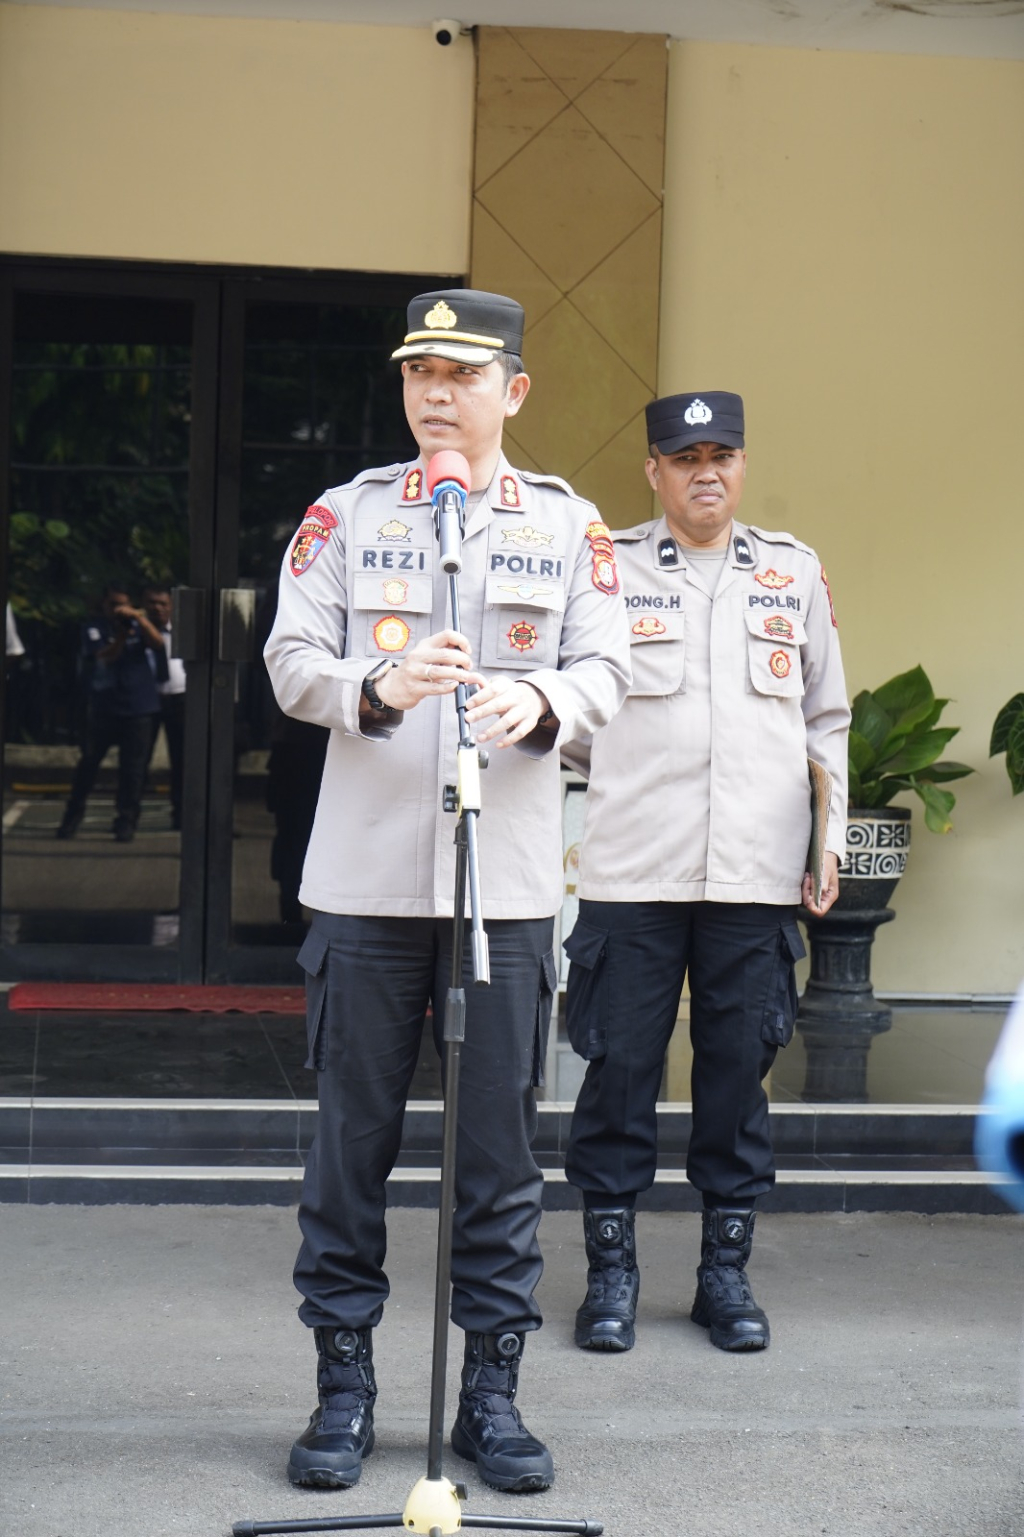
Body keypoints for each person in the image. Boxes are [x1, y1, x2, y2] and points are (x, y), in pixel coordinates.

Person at [264, 290, 630, 1495]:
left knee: (497, 1161)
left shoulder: (570, 530)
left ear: (512, 392)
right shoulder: (345, 514)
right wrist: (376, 684)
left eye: (460, 374)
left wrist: (545, 705)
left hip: (504, 898)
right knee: (347, 1154)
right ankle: (343, 1391)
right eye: (419, 369)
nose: (433, 391)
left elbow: (608, 666)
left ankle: (492, 1395)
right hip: (365, 894)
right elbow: (289, 660)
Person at [561, 391, 850, 1357]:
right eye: (685, 457)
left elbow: (825, 721)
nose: (706, 471)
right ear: (653, 469)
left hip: (755, 875)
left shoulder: (793, 572)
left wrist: (829, 836)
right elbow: (570, 718)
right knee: (619, 1074)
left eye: (722, 453)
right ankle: (611, 1275)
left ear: (741, 464)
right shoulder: (607, 568)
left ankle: (724, 1275)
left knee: (738, 1078)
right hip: (634, 870)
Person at [56, 585, 167, 843]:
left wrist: (138, 618)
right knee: (89, 764)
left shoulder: (138, 625)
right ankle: (72, 818)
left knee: (133, 771)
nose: (119, 610)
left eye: (123, 604)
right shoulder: (95, 628)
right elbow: (103, 657)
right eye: (114, 604)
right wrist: (119, 636)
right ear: (104, 605)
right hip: (104, 707)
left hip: (139, 706)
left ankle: (126, 821)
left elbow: (158, 643)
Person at [143, 586, 186, 830]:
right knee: (139, 760)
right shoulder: (138, 630)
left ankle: (180, 815)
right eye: (152, 603)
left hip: (179, 697)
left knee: (181, 759)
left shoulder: (181, 631)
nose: (157, 608)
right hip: (147, 698)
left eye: (162, 603)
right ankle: (129, 816)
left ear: (171, 606)